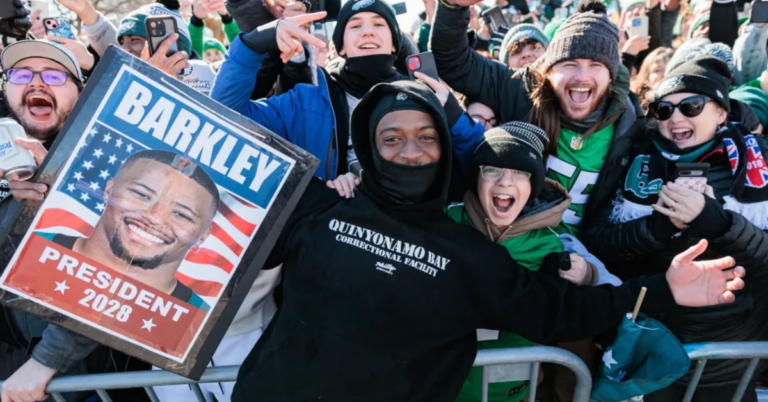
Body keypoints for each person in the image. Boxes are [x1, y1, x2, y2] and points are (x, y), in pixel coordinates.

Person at [230, 78, 745, 402]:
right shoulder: (320, 208)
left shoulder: (468, 255)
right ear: (369, 145)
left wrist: (661, 288)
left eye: (426, 137)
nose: (410, 150)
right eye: (392, 137)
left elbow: (561, 310)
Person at [583, 56, 768, 402]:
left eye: (691, 106)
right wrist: (658, 227)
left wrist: (719, 222)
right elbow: (597, 242)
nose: (676, 118)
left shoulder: (757, 162)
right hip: (655, 351)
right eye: (664, 110)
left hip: (733, 357)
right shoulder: (634, 156)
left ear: (722, 113)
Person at [0, 39, 148, 402]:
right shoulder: (7, 163)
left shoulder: (116, 159)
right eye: (21, 73)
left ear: (80, 91)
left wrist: (46, 362)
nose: (36, 83)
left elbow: (115, 269)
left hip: (91, 383)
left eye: (53, 74)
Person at [211, 1, 482, 182]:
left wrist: (453, 115)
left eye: (379, 24)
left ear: (393, 46)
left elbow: (476, 164)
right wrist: (252, 44)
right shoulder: (306, 101)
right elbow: (225, 117)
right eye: (355, 26)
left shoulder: (422, 100)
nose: (367, 32)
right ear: (340, 47)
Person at [431, 0, 639, 236]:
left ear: (610, 76)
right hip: (512, 243)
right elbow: (452, 62)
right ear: (548, 70)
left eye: (596, 65)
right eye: (570, 64)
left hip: (580, 255)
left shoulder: (629, 123)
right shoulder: (519, 90)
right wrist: (452, 7)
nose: (582, 76)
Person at [446, 122, 614, 402]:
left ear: (533, 184)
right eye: (491, 169)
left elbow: (575, 323)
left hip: (516, 390)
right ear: (476, 176)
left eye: (520, 172)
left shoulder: (550, 243)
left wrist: (588, 275)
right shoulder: (445, 221)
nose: (504, 181)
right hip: (446, 388)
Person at [37, 150, 217, 310]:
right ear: (108, 190)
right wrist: (10, 190)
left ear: (202, 236)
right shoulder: (27, 247)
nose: (154, 217)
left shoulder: (200, 320)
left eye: (181, 214)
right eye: (142, 195)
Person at [631, 47, 674, 111]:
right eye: (658, 70)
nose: (665, 75)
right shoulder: (634, 105)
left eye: (670, 70)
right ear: (647, 76)